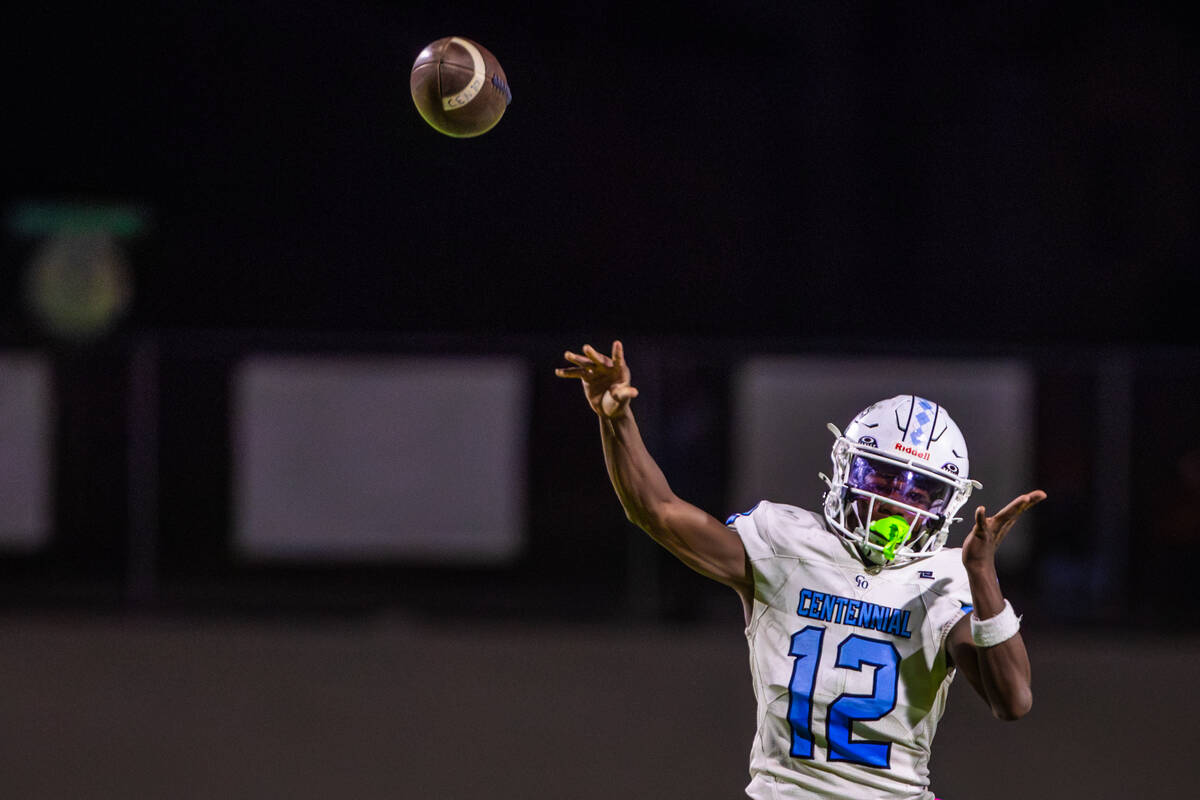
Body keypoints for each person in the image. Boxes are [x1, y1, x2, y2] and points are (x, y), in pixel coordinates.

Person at [556, 340, 1045, 800]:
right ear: (848, 470)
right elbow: (657, 511)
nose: (895, 502)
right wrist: (617, 420)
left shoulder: (946, 577)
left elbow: (1013, 701)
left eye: (917, 492)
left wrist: (982, 573)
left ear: (944, 506)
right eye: (882, 479)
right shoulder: (787, 543)